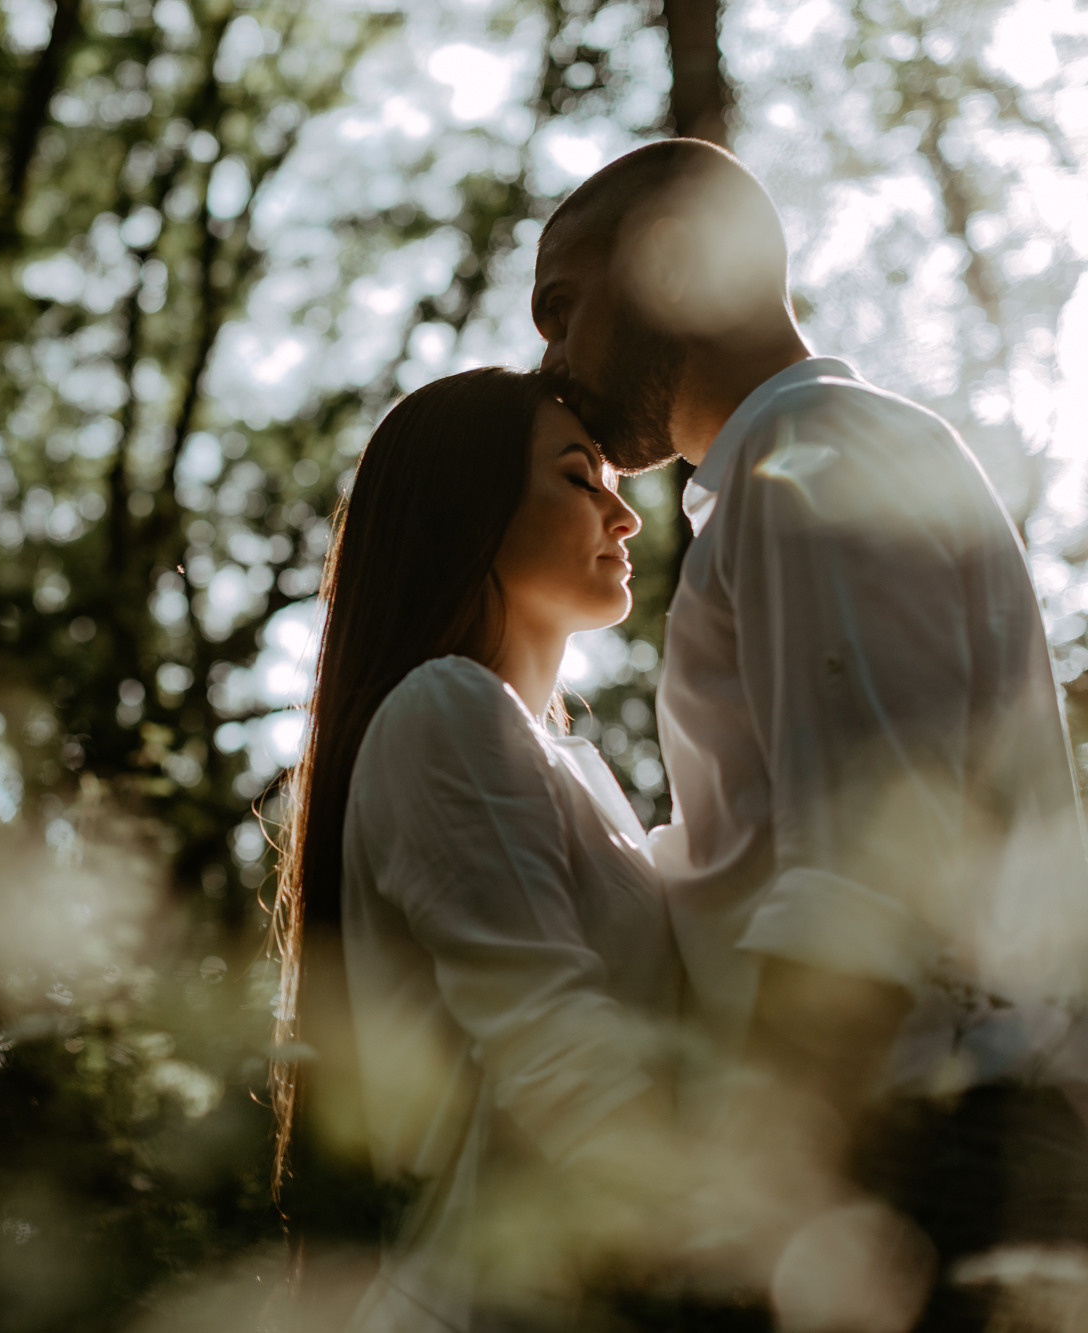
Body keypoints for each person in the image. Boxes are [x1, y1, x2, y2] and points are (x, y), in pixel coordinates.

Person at [535, 138, 1088, 1327]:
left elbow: (863, 873)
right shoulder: (801, 466)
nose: (551, 361)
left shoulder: (809, 462)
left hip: (920, 1150)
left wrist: (747, 1192)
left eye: (561, 310)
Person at [269, 366, 683, 1330]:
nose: (625, 517)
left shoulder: (567, 766)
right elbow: (554, 1045)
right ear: (468, 507)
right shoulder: (445, 709)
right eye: (580, 478)